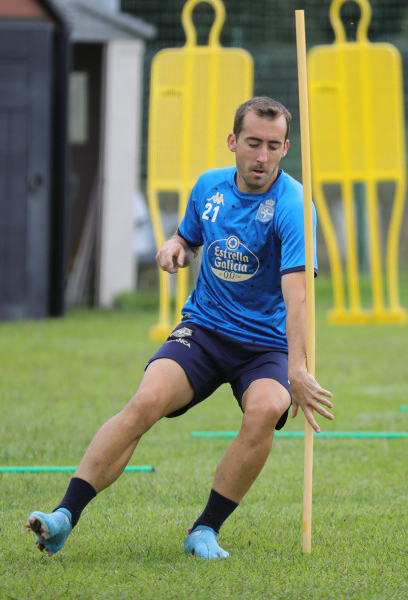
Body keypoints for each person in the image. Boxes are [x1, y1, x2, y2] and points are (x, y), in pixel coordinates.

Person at [26, 96, 334, 559]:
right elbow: (188, 238)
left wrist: (297, 370)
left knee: (267, 406)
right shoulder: (209, 188)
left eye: (273, 146)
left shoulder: (293, 205)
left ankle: (205, 530)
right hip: (205, 330)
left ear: (286, 147)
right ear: (233, 142)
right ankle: (64, 516)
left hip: (265, 344)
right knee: (145, 401)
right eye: (253, 143)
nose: (262, 156)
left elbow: (298, 297)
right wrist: (175, 247)